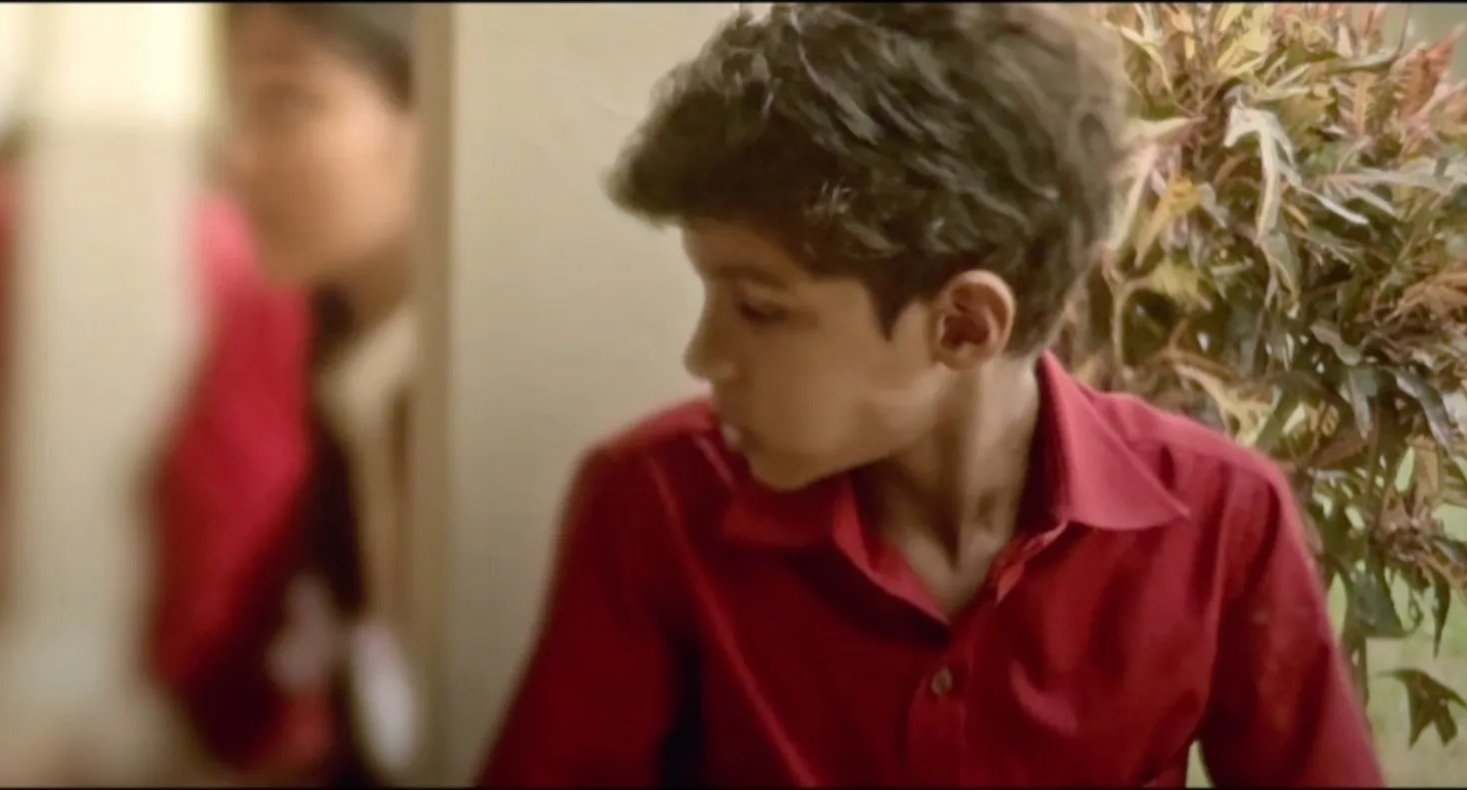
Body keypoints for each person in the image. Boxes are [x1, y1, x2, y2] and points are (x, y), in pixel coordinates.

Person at [477, 5, 1383, 787]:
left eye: (759, 308)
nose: (705, 356)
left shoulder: (1222, 524)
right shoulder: (658, 504)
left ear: (963, 326)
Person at [0, 4, 425, 786]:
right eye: (237, 113)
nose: (237, 163)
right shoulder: (331, 340)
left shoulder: (338, 343)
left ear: (442, 115)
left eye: (287, 105)